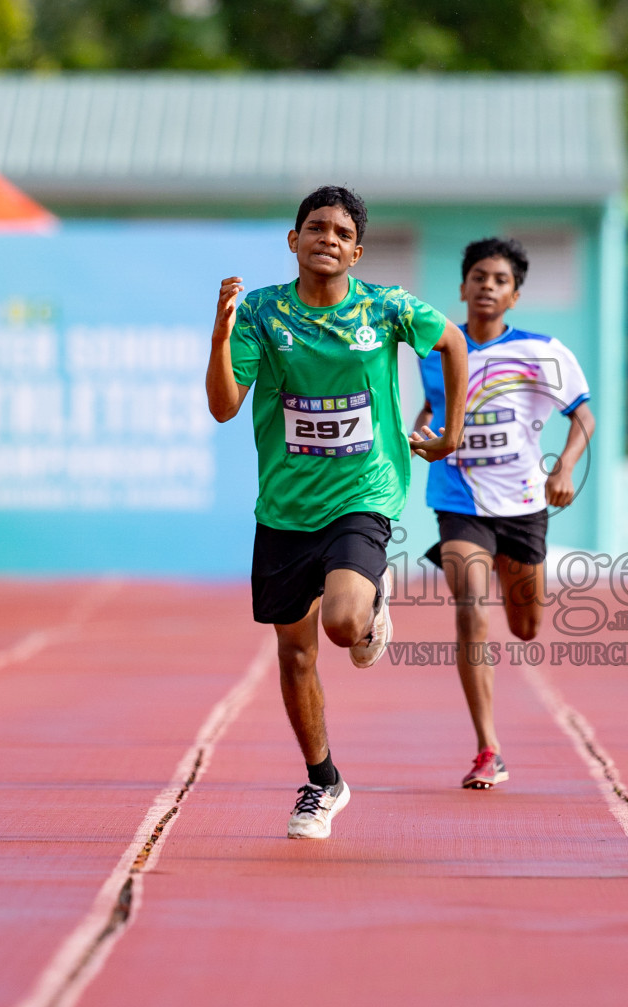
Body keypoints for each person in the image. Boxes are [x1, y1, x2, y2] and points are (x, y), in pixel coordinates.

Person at [206, 185, 469, 840]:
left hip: (364, 491)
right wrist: (219, 335)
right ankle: (323, 781)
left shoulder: (384, 307)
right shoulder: (262, 313)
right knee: (294, 655)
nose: (327, 237)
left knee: (342, 623)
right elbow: (223, 405)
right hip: (286, 507)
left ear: (356, 250)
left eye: (340, 231)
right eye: (314, 227)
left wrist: (451, 433)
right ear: (293, 242)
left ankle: (370, 602)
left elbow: (455, 345)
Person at [412, 237, 594, 790]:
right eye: (479, 277)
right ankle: (487, 747)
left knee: (526, 626)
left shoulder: (543, 351)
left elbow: (583, 415)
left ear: (514, 296)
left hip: (522, 503)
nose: (488, 286)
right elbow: (434, 408)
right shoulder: (435, 349)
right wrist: (422, 431)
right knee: (470, 605)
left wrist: (562, 470)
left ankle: (519, 598)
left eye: (500, 280)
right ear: (462, 286)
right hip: (458, 498)